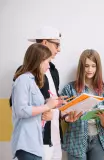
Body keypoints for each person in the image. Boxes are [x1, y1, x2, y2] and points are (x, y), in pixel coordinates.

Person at [10, 26, 81, 160]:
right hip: (37, 139)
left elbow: (49, 103)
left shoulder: (53, 71)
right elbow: (17, 107)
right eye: (56, 45)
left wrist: (63, 112)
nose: (59, 49)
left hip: (54, 137)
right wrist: (45, 110)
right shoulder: (24, 76)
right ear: (44, 43)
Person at [61, 49, 104, 160]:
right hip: (76, 141)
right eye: (86, 66)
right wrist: (67, 117)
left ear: (98, 68)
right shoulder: (69, 89)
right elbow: (62, 114)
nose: (90, 70)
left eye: (93, 66)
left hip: (98, 140)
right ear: (81, 67)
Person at [11, 43, 59, 160]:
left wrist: (51, 103)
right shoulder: (23, 80)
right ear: (39, 61)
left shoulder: (33, 82)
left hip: (35, 144)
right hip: (26, 144)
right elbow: (21, 110)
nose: (48, 66)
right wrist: (47, 106)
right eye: (47, 61)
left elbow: (33, 108)